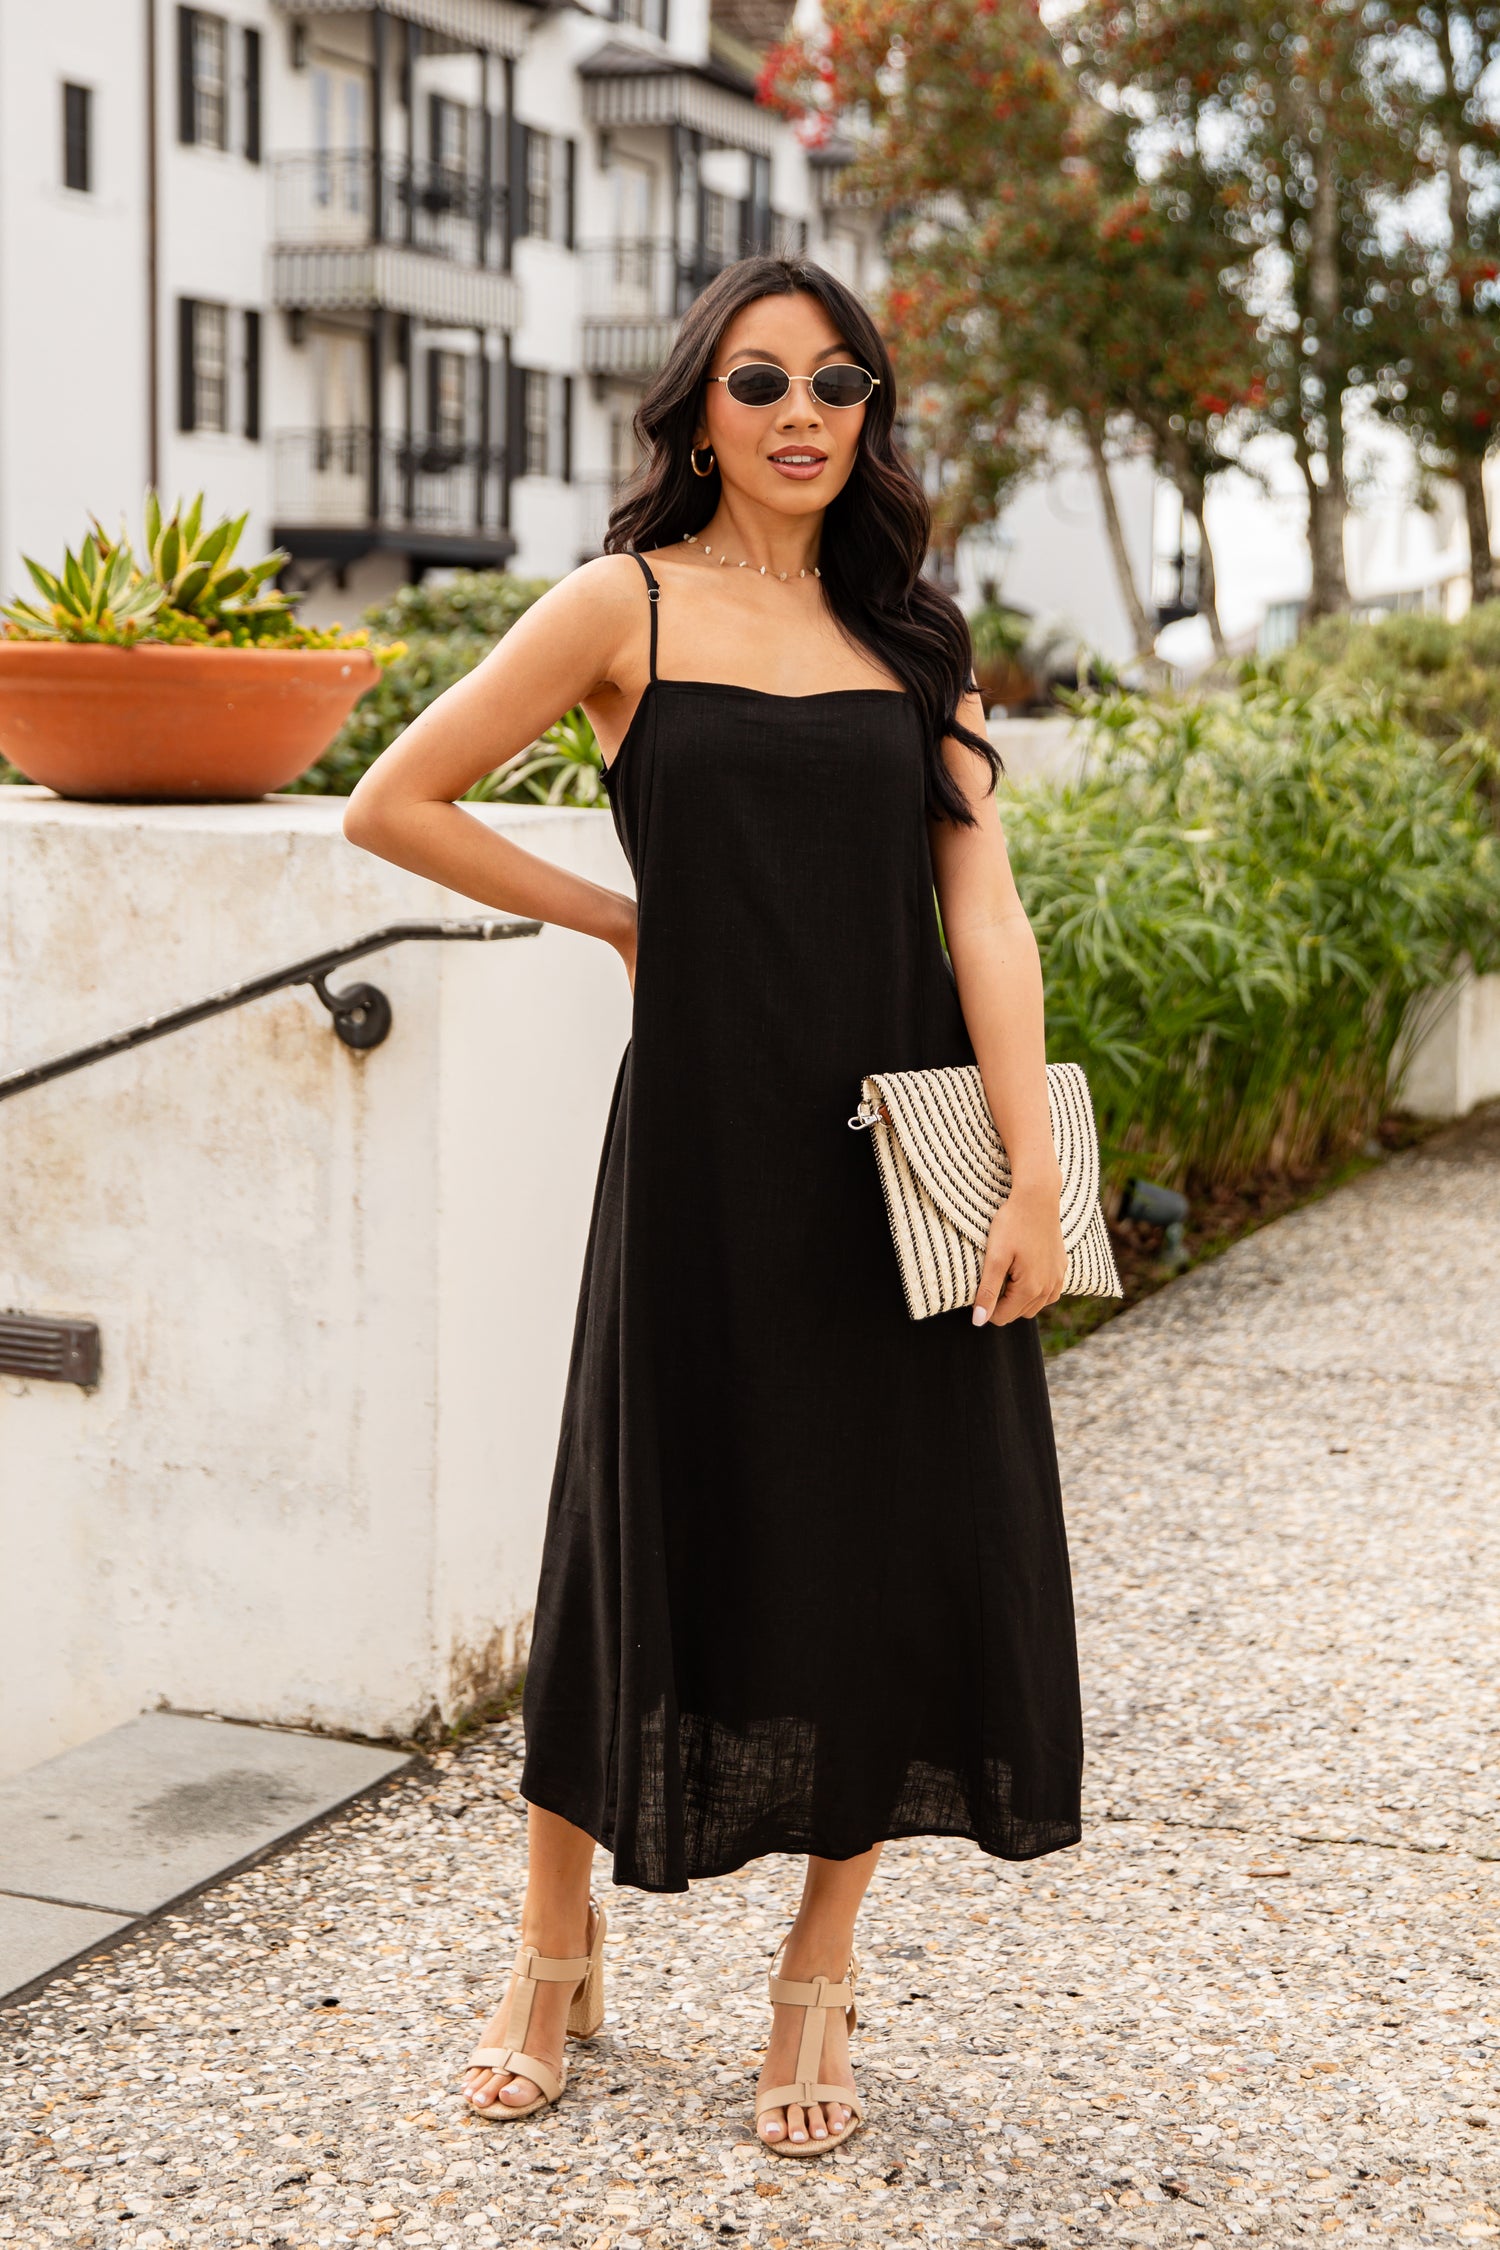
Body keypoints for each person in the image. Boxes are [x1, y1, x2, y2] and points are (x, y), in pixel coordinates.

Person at [342, 253, 1083, 2159]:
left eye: (840, 386)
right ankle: (549, 1951)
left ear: (870, 417)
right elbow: (396, 800)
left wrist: (1033, 1166)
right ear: (696, 411)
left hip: (887, 1153)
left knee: (877, 1542)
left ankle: (817, 1971)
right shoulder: (620, 603)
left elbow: (979, 909)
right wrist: (616, 915)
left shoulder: (916, 637)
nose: (803, 417)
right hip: (697, 1147)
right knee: (632, 1525)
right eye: (761, 385)